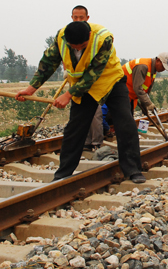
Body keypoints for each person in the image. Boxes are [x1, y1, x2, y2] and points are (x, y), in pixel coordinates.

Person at [15, 20, 146, 184]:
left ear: (89, 36)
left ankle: (133, 170)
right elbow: (48, 62)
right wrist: (31, 88)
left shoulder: (103, 39)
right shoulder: (61, 37)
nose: (77, 49)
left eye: (81, 46)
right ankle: (63, 173)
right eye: (73, 46)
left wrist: (68, 95)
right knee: (75, 128)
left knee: (125, 124)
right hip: (83, 88)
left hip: (110, 81)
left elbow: (94, 73)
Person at [70, 5, 104, 152]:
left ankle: (96, 142)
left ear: (87, 18)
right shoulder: (69, 34)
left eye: (81, 18)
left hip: (92, 80)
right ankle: (85, 141)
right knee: (80, 113)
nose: (78, 20)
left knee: (94, 112)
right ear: (71, 18)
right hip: (76, 82)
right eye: (75, 17)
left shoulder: (95, 36)